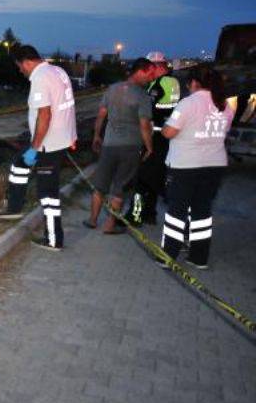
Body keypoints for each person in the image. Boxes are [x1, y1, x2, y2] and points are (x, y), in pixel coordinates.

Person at [0, 45, 77, 251]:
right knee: (19, 165)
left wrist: (35, 147)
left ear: (26, 62)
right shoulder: (58, 71)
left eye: (19, 67)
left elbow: (45, 115)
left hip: (48, 145)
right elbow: (68, 105)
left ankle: (53, 239)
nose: (20, 71)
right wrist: (72, 136)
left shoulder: (40, 78)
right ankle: (14, 207)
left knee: (48, 194)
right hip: (58, 140)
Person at [159, 65, 233, 270]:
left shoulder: (188, 103)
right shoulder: (225, 105)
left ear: (193, 83)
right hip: (214, 166)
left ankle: (168, 255)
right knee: (202, 212)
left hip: (185, 165)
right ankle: (199, 257)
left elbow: (169, 132)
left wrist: (165, 127)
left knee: (176, 210)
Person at [84, 58, 155, 234]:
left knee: (100, 184)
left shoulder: (112, 89)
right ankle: (109, 226)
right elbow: (145, 125)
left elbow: (101, 115)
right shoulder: (142, 96)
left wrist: (96, 136)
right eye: (150, 74)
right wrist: (149, 147)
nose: (151, 78)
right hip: (130, 147)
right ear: (141, 71)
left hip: (109, 144)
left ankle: (92, 220)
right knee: (120, 187)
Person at [125, 51, 182, 226]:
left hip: (154, 136)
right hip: (168, 136)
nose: (148, 72)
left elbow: (146, 113)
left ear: (157, 67)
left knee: (141, 178)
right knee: (155, 177)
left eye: (150, 68)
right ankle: (150, 214)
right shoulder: (175, 82)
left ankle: (135, 216)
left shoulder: (157, 85)